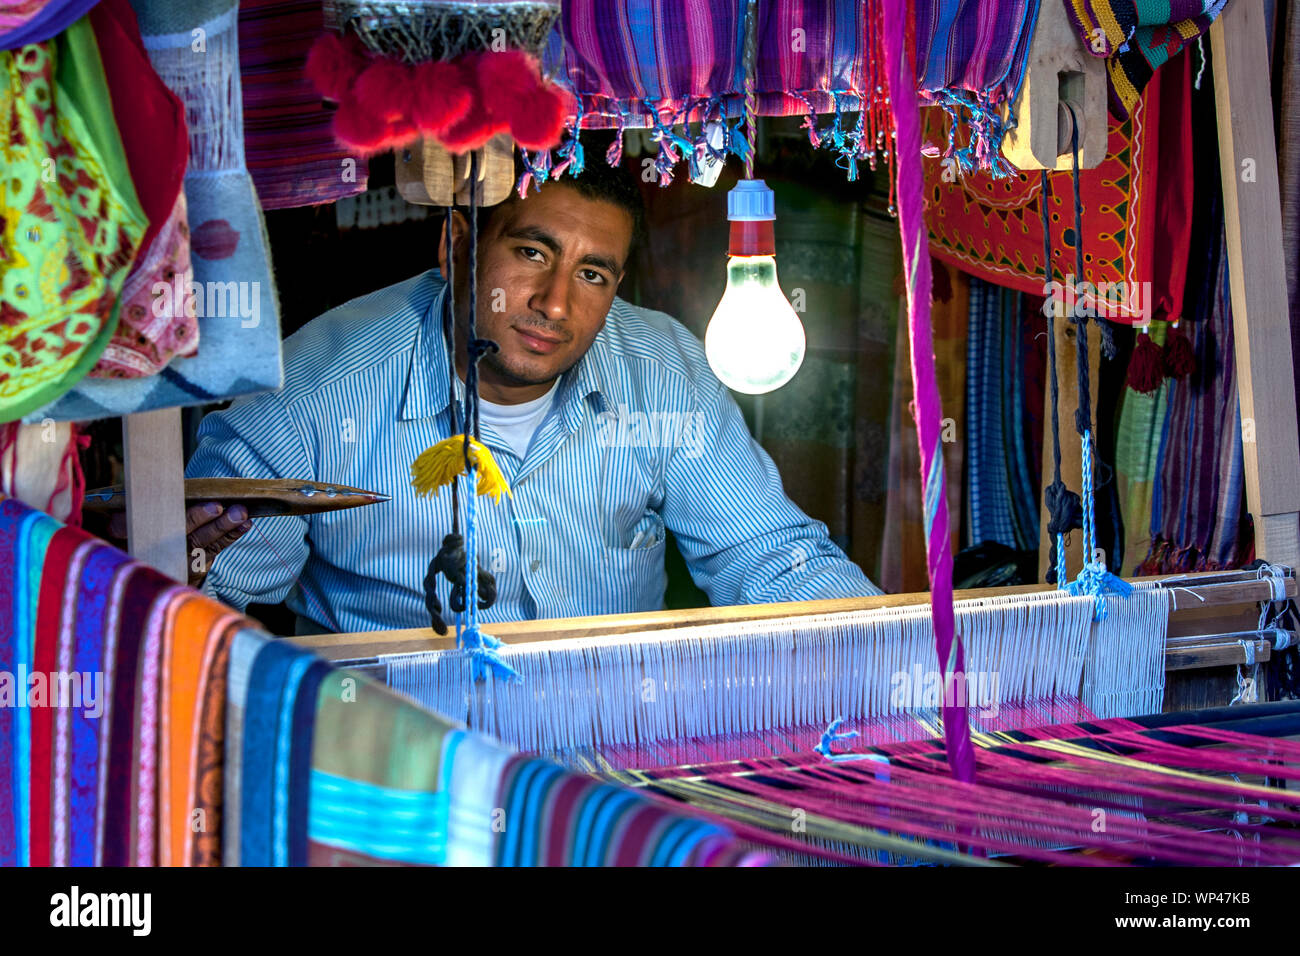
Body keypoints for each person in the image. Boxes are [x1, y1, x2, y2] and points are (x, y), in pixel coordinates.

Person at [184, 156, 882, 633]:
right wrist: (179, 559)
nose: (554, 304)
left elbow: (765, 556)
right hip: (402, 773)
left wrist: (906, 661)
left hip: (612, 765)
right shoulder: (310, 391)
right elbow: (201, 600)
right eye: (532, 254)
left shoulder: (664, 370)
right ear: (457, 245)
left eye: (593, 275)